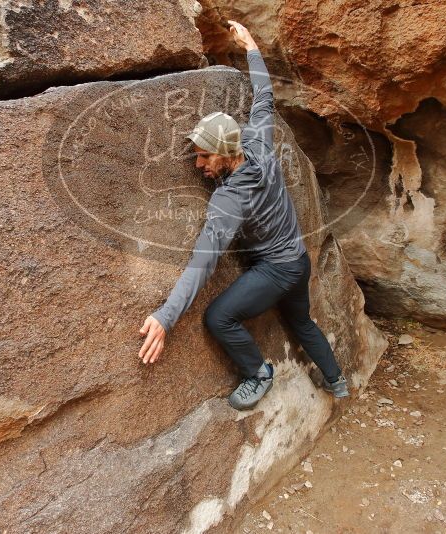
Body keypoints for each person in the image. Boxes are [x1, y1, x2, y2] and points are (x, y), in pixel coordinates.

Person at [138, 20, 349, 410]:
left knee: (219, 318)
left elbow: (203, 262)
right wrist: (250, 46)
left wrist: (166, 317)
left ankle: (259, 374)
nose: (198, 163)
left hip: (276, 268)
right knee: (302, 322)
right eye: (196, 154)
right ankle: (337, 382)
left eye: (204, 155)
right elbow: (264, 97)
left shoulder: (231, 199)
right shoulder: (257, 139)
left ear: (226, 152)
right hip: (297, 261)